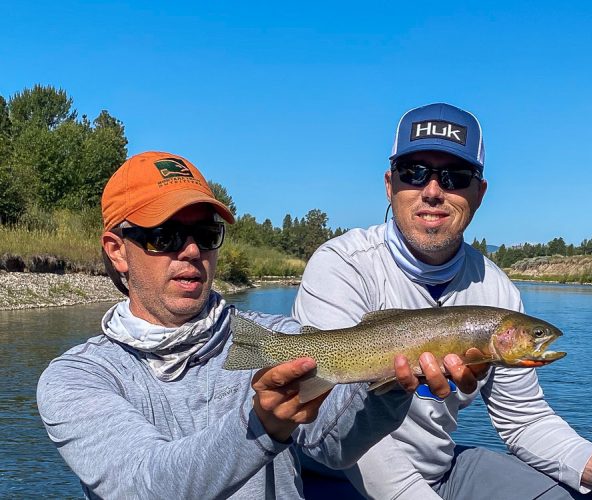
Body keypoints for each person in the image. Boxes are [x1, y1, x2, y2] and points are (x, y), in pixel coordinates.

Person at [293, 103, 592, 499]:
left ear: (480, 192)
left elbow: (524, 420)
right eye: (414, 173)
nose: (433, 191)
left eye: (455, 176)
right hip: (335, 476)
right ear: (390, 184)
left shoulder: (496, 289)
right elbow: (330, 425)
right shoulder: (341, 265)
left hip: (441, 470)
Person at [36, 151, 453, 499]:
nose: (193, 250)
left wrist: (391, 386)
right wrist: (262, 425)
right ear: (117, 252)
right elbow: (146, 484)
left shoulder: (275, 339)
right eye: (165, 236)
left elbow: (333, 447)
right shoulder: (76, 379)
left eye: (205, 232)